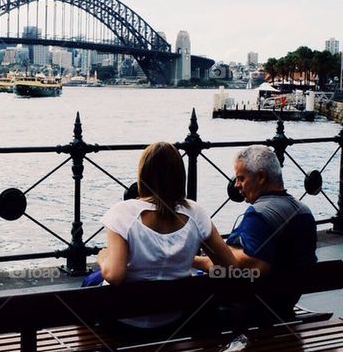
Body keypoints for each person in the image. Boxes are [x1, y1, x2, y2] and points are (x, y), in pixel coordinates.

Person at [96, 142, 239, 333]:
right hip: (173, 320)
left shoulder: (123, 213)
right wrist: (195, 262)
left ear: (143, 174)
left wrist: (103, 258)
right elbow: (230, 268)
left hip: (123, 324)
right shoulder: (195, 213)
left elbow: (114, 275)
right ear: (180, 176)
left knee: (90, 281)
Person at [193, 144, 317, 316]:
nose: (236, 185)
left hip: (251, 309)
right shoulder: (304, 211)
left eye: (241, 178)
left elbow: (249, 267)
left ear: (260, 177)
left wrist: (193, 259)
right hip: (284, 305)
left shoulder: (259, 214)